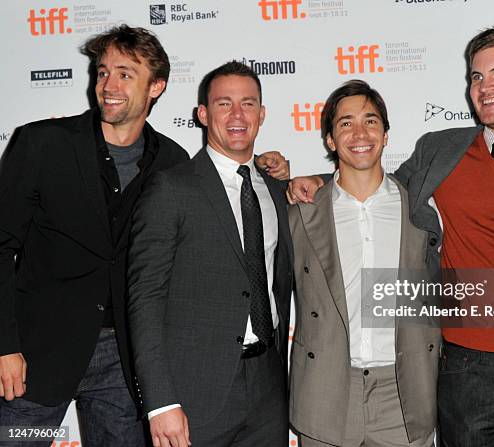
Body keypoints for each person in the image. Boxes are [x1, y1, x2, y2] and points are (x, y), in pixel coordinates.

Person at [289, 27, 494, 447]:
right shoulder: (439, 151)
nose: (484, 87)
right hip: (465, 369)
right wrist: (315, 180)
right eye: (476, 77)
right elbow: (375, 190)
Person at [0, 26, 287, 446]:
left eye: (124, 74)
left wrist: (274, 169)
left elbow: (227, 181)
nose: (108, 86)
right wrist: (5, 345)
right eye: (102, 73)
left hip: (125, 365)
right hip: (37, 358)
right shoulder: (43, 144)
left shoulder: (171, 161)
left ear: (157, 86)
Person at [127, 61, 293, 447]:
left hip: (269, 388)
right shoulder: (171, 187)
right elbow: (144, 299)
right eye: (224, 104)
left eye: (248, 104)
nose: (237, 115)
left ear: (262, 114)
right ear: (203, 114)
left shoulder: (274, 190)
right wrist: (159, 401)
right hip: (193, 393)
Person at [289, 80, 439, 447]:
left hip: (403, 394)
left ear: (386, 135)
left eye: (371, 122)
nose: (360, 133)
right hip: (325, 390)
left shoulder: (420, 210)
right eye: (345, 123)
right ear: (329, 140)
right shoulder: (301, 213)